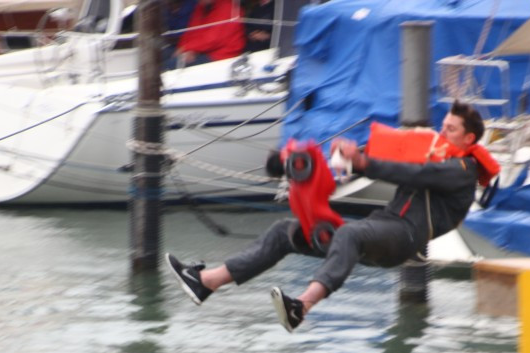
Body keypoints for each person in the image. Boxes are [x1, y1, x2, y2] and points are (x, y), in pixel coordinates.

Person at [166, 102, 492, 332]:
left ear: (468, 139)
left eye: (451, 129)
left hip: (404, 237)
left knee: (350, 234)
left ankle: (301, 307)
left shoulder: (462, 170)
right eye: (443, 125)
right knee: (286, 232)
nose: (442, 133)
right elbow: (402, 166)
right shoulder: (439, 158)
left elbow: (415, 173)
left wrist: (363, 164)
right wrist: (346, 162)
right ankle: (206, 282)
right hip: (383, 226)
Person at [175, 0, 245, 66]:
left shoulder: (228, 7)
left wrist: (186, 48)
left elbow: (213, 39)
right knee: (167, 55)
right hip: (202, 51)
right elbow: (191, 31)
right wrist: (185, 48)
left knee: (172, 64)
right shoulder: (201, 7)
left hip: (222, 57)